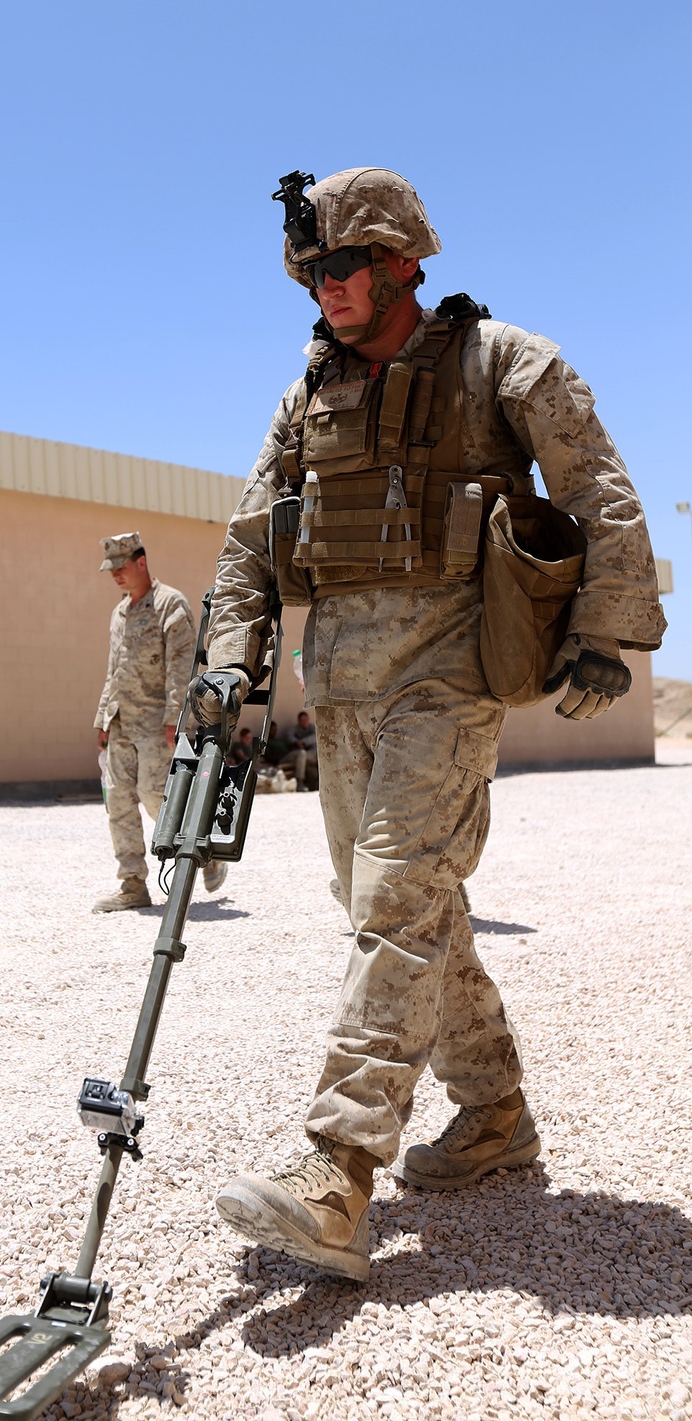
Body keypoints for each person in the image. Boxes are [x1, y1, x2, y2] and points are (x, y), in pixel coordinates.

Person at [195, 167, 665, 1280]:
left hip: (453, 666)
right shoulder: (305, 393)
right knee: (398, 904)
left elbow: (598, 486)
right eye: (312, 271)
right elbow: (249, 542)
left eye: (347, 264)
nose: (329, 288)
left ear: (406, 259)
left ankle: (336, 1172)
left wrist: (606, 627)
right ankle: (494, 1118)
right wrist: (225, 665)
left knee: (398, 890)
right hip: (342, 681)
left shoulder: (504, 362)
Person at [93, 532, 228, 912]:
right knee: (118, 802)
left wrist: (175, 718)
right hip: (121, 724)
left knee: (158, 800)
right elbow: (112, 672)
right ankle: (132, 884)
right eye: (111, 570)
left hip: (156, 725)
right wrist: (102, 719)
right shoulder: (120, 613)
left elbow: (181, 668)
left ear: (141, 562)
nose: (116, 575)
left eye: (121, 567)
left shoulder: (170, 604)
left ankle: (206, 848)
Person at [282, 709, 319, 791]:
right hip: (295, 755)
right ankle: (300, 782)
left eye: (306, 720)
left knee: (317, 753)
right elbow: (289, 736)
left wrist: (304, 742)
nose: (304, 722)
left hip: (309, 755)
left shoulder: (312, 728)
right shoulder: (294, 729)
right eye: (302, 720)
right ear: (299, 721)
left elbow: (315, 736)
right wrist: (296, 742)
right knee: (302, 753)